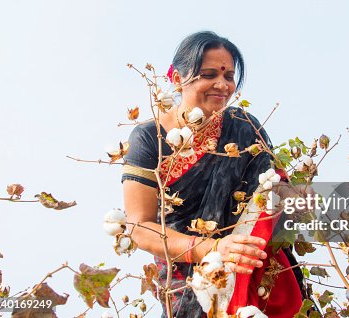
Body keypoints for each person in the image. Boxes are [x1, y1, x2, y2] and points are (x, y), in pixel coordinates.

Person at [122, 31, 304, 318]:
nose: (222, 85)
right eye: (208, 74)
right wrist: (211, 248)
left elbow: (274, 195)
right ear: (177, 78)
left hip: (250, 269)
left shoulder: (244, 128)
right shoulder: (150, 140)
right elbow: (138, 227)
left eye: (229, 76)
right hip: (187, 281)